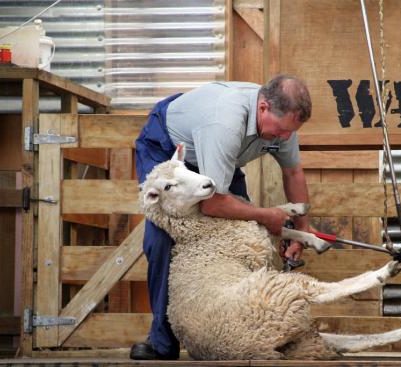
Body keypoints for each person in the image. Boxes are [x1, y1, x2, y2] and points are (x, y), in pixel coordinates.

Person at [130, 74, 313, 360]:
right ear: (263, 108)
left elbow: (293, 172)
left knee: (245, 237)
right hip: (170, 148)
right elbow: (212, 205)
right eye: (280, 130)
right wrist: (267, 216)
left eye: (290, 131)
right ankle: (161, 341)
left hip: (216, 151)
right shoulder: (224, 122)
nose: (285, 138)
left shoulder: (284, 124)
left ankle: (246, 331)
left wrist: (302, 232)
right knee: (163, 237)